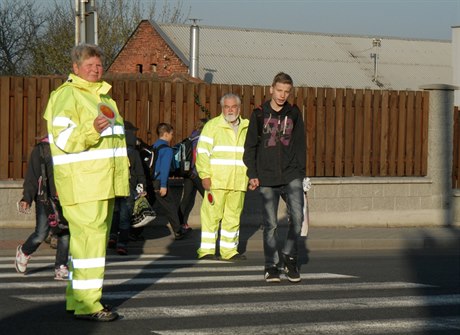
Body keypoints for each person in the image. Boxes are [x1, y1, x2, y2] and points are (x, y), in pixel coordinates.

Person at [43, 43, 130, 322]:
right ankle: (88, 305)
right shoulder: (68, 95)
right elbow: (65, 138)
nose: (95, 69)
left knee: (85, 246)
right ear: (75, 68)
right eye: (89, 65)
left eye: (99, 65)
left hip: (98, 183)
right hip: (84, 184)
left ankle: (77, 298)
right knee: (90, 246)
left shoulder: (102, 97)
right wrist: (91, 130)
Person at [243, 72, 306, 283]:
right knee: (270, 224)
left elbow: (300, 145)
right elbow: (250, 146)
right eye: (279, 90)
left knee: (298, 219)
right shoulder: (259, 114)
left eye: (287, 91)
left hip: (291, 174)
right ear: (271, 89)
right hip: (267, 176)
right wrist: (252, 174)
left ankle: (289, 256)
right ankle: (271, 265)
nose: (282, 95)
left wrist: (301, 174)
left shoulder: (294, 113)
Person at [195, 93, 249, 260]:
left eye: (233, 107)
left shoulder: (247, 127)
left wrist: (253, 175)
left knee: (232, 218)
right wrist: (204, 175)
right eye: (227, 107)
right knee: (211, 216)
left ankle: (229, 251)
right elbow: (202, 152)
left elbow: (252, 154)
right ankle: (207, 251)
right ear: (222, 108)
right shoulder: (212, 126)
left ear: (239, 108)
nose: (230, 110)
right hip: (216, 181)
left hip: (238, 181)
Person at [15, 136, 70, 280]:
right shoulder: (41, 149)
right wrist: (27, 198)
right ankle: (24, 251)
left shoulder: (71, 147)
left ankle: (61, 266)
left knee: (64, 232)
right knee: (41, 234)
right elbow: (32, 177)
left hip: (66, 198)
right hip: (45, 198)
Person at [108, 121, 147, 255]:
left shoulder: (114, 152)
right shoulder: (134, 153)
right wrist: (142, 187)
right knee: (125, 218)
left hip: (114, 188)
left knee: (114, 214)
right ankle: (122, 244)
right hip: (128, 188)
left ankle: (112, 236)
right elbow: (140, 172)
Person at [152, 123, 189, 240]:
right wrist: (163, 185)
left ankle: (132, 233)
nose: (172, 137)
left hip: (151, 181)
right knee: (171, 207)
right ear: (166, 134)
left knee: (146, 207)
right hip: (159, 182)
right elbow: (164, 169)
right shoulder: (167, 150)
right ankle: (178, 231)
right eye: (171, 134)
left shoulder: (154, 146)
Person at [178, 118, 207, 230]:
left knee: (186, 198)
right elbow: (197, 155)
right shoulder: (202, 138)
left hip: (188, 173)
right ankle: (212, 222)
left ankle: (180, 224)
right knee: (209, 197)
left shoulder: (191, 136)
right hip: (196, 172)